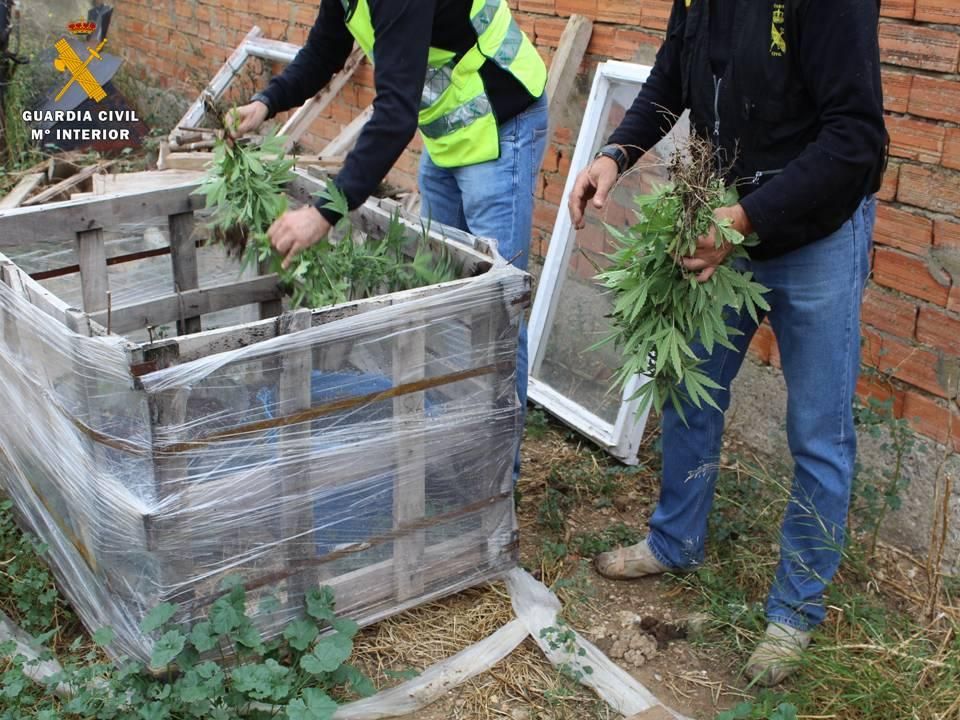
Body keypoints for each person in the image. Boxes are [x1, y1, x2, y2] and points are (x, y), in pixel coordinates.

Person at [568, 0, 886, 686]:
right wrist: (614, 154)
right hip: (726, 220)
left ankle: (796, 609)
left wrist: (746, 218)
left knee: (817, 431)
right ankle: (675, 540)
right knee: (689, 386)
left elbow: (855, 138)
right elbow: (670, 82)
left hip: (817, 236)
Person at [230, 0, 548, 476]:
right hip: (449, 132)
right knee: (448, 299)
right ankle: (456, 443)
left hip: (501, 121)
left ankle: (497, 475)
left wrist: (324, 213)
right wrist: (266, 102)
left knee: (496, 307)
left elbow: (395, 112)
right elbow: (324, 51)